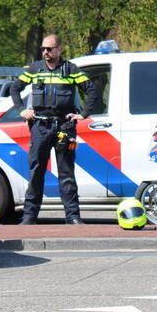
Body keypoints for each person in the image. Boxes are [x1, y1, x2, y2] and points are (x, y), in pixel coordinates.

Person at [10, 34, 99, 225]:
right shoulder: (35, 69)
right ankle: (29, 217)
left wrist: (83, 114)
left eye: (49, 49)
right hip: (40, 127)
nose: (45, 53)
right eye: (43, 49)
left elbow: (92, 90)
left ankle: (73, 217)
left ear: (59, 49)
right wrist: (21, 110)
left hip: (64, 127)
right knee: (36, 172)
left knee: (66, 174)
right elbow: (14, 88)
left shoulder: (71, 69)